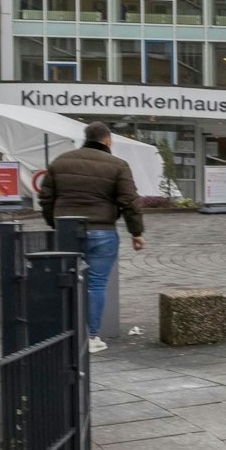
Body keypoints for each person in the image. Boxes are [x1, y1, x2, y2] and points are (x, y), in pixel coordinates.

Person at [38, 121, 144, 354]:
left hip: (66, 230)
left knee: (65, 281)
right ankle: (91, 337)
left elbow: (46, 198)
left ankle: (64, 334)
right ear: (107, 140)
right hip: (102, 231)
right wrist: (136, 233)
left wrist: (55, 224)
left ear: (86, 138)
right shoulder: (118, 165)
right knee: (96, 284)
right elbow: (129, 202)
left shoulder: (60, 161)